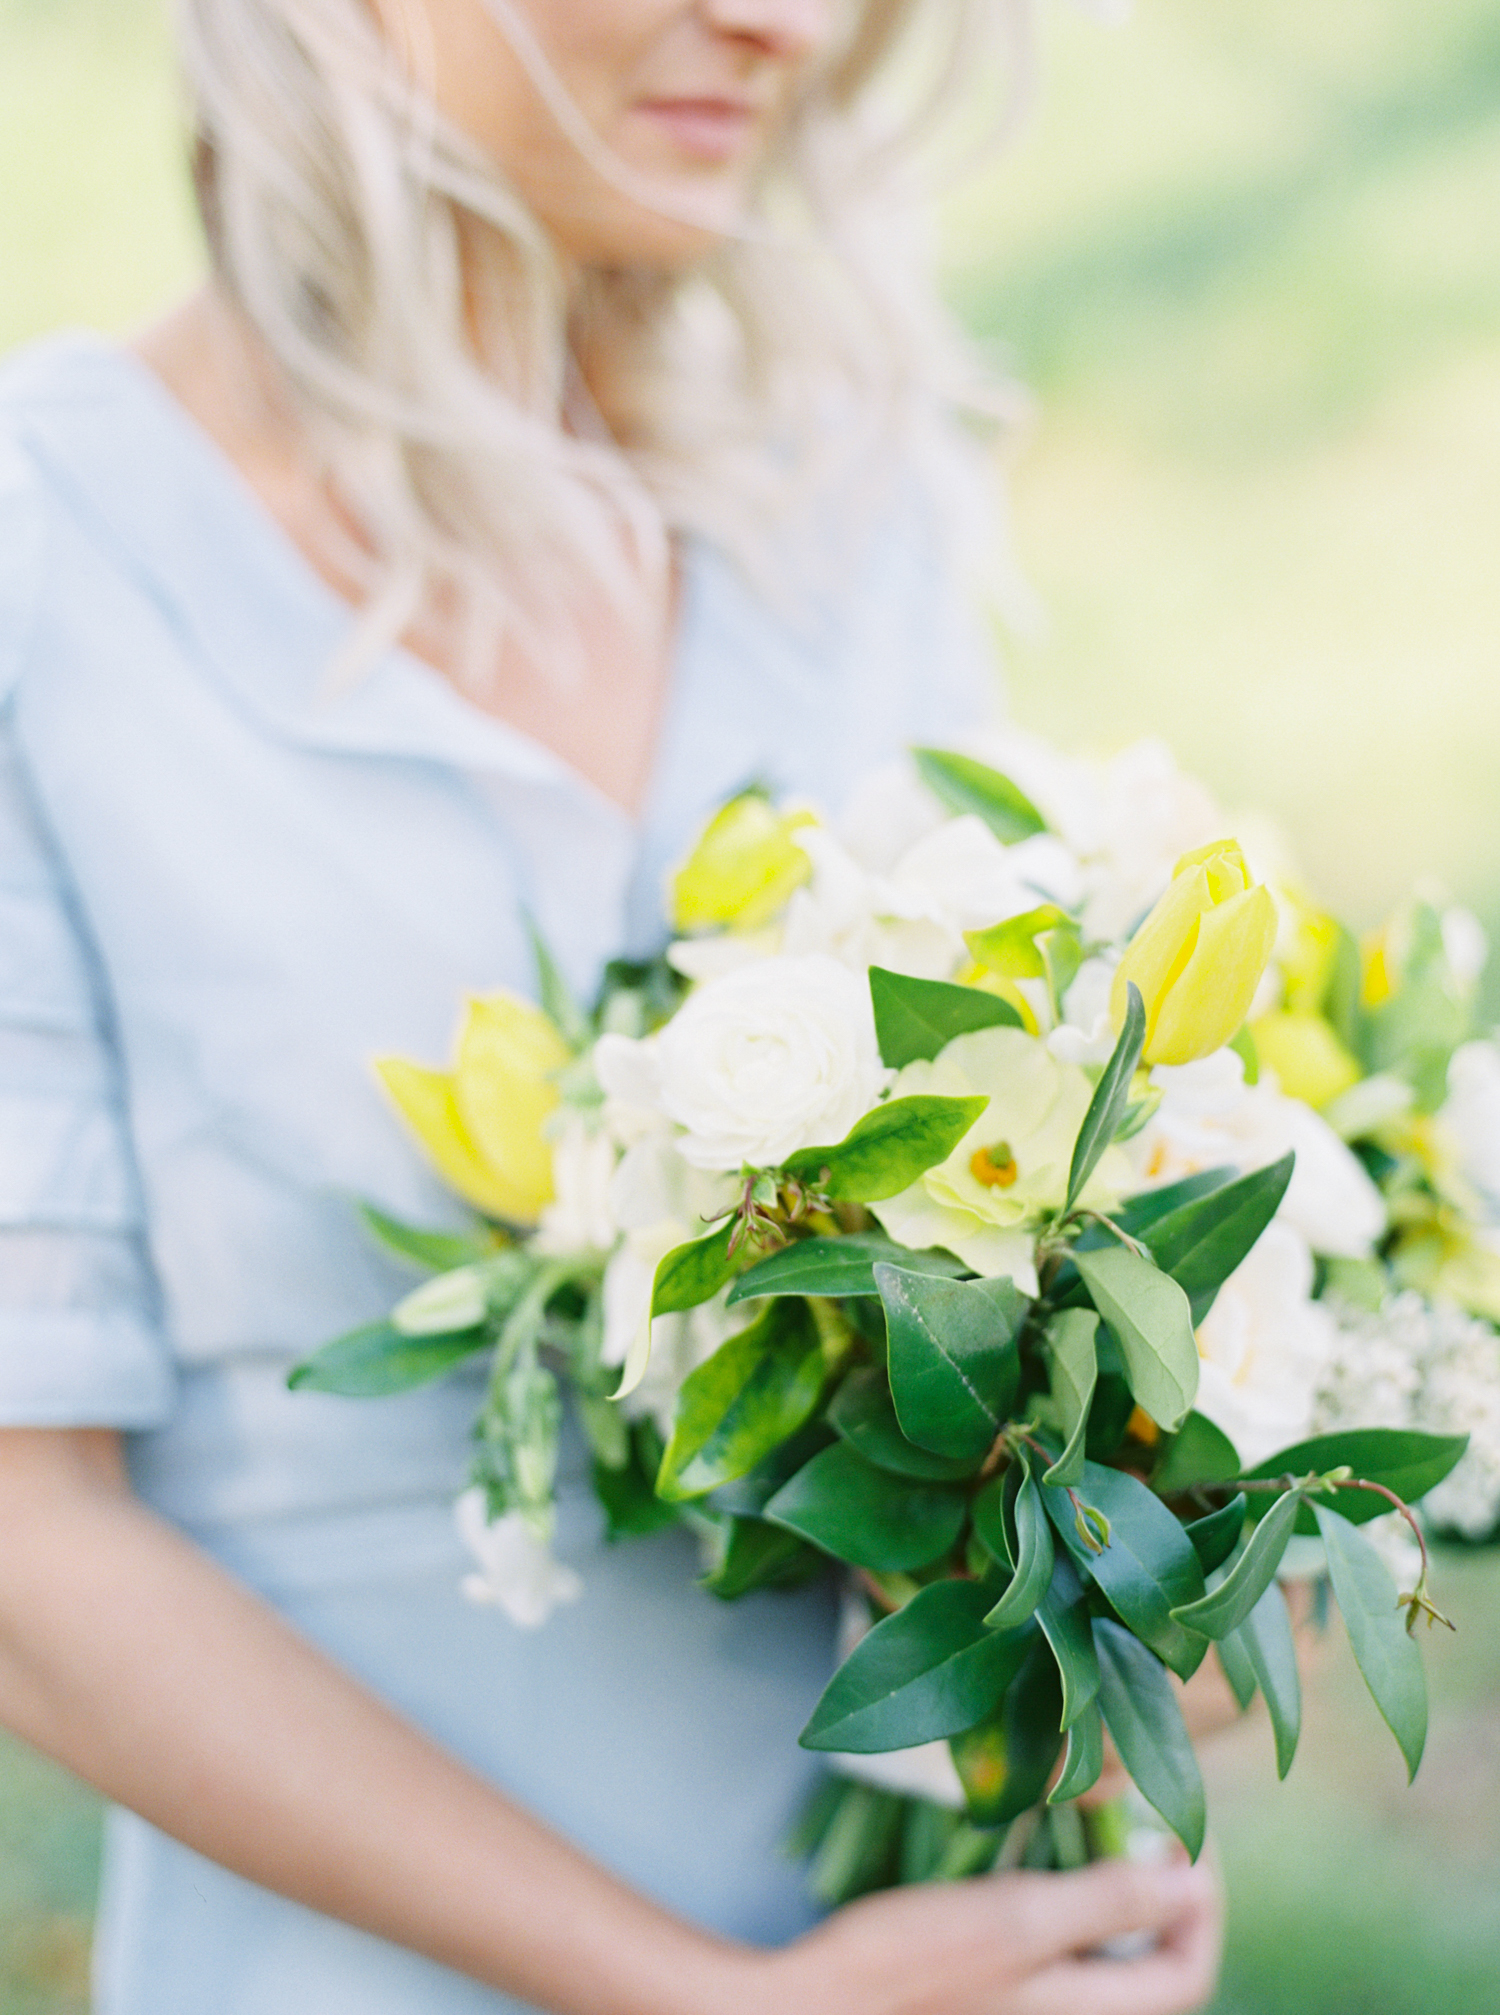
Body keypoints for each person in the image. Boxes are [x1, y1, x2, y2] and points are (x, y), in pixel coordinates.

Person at [0, 2, 1223, 2009]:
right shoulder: (52, 567)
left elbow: (1003, 1322)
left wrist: (1117, 1770)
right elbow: (26, 1551)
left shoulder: (844, 498)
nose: (793, 25)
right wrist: (697, 2000)